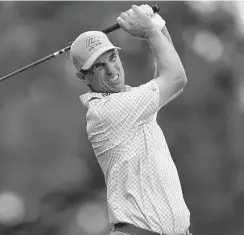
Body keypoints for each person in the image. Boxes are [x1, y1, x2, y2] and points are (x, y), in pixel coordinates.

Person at [69, 4, 191, 235]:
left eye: (112, 57)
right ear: (82, 77)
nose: (110, 69)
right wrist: (149, 32)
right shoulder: (107, 110)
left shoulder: (130, 103)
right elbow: (176, 78)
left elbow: (171, 83)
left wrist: (156, 24)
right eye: (98, 66)